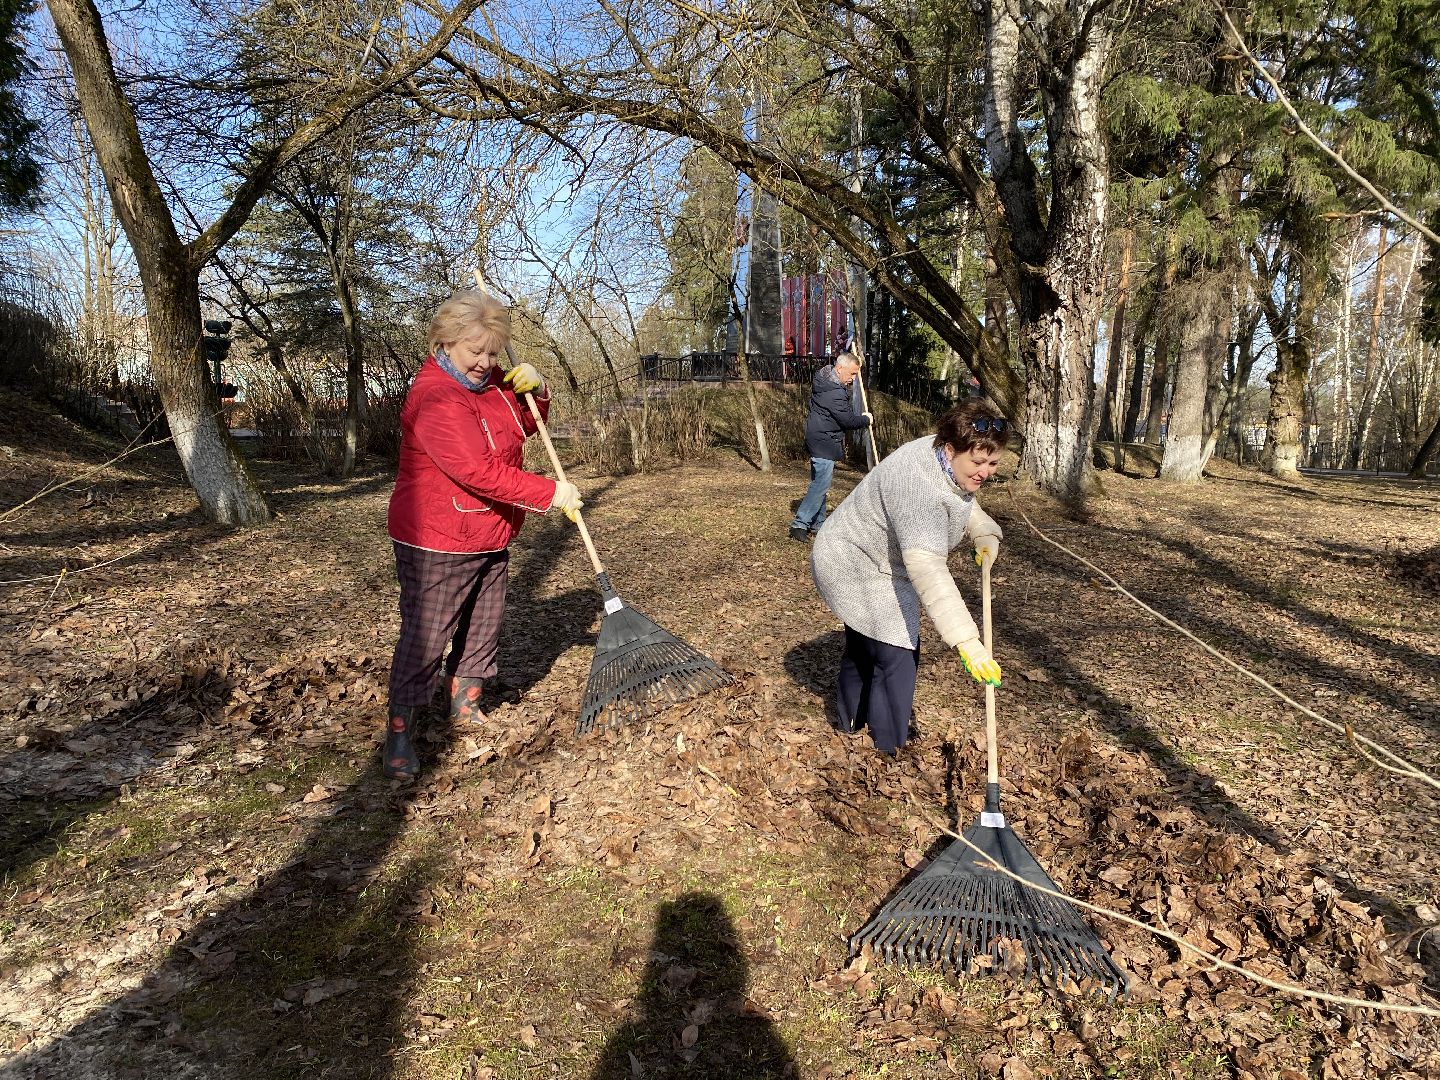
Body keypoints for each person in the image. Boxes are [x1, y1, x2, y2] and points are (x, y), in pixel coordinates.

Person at [382, 290, 584, 780]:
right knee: (426, 638)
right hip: (438, 535)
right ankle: (400, 730)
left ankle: (465, 704)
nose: (485, 362)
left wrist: (534, 392)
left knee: (483, 624)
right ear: (446, 341)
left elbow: (527, 427)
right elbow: (476, 470)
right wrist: (548, 493)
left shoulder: (493, 384)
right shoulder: (434, 397)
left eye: (493, 352)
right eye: (475, 351)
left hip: (490, 529)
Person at [810, 400, 1008, 757]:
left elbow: (962, 497)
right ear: (951, 449)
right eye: (978, 462)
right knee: (897, 654)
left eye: (993, 463)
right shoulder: (919, 487)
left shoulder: (942, 458)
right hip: (854, 563)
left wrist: (983, 531)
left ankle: (848, 727)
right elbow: (928, 569)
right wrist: (967, 641)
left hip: (871, 554)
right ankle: (888, 751)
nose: (985, 472)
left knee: (866, 646)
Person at [789, 348, 871, 542]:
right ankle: (799, 525)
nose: (853, 379)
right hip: (824, 441)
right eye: (852, 374)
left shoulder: (824, 381)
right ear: (840, 368)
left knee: (821, 484)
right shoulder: (833, 392)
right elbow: (848, 421)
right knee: (820, 485)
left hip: (818, 438)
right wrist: (866, 419)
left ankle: (819, 525)